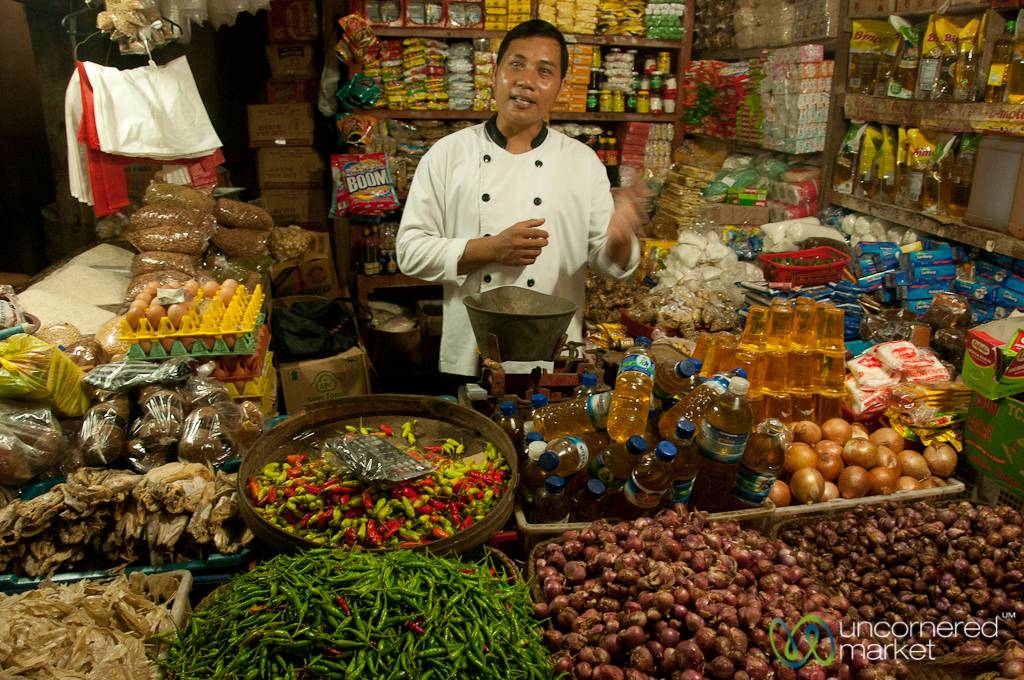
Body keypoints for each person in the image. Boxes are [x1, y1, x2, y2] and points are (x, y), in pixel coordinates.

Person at [396, 19, 646, 383]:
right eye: (516, 64)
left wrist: (620, 240)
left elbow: (609, 262)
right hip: (471, 354)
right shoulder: (448, 154)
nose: (526, 80)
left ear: (559, 87)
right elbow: (410, 252)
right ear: (495, 73)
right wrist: (491, 249)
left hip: (553, 359)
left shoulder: (581, 162)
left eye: (544, 71)